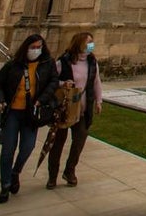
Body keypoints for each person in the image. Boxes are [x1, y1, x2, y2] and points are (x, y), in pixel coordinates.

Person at [0, 34, 59, 204]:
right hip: (12, 113)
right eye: (33, 47)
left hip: (31, 113)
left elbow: (53, 82)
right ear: (26, 47)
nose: (36, 50)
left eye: (39, 47)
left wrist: (42, 100)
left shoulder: (47, 64)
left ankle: (16, 172)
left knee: (28, 147)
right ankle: (5, 185)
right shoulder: (13, 65)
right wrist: (0, 101)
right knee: (7, 150)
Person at [47, 32, 103, 189]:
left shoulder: (92, 62)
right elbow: (51, 81)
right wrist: (63, 83)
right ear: (79, 43)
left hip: (83, 110)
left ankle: (69, 170)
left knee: (79, 141)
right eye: (88, 42)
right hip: (65, 110)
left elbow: (96, 81)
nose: (91, 45)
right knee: (57, 143)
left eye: (92, 42)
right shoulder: (63, 61)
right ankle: (52, 176)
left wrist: (99, 101)